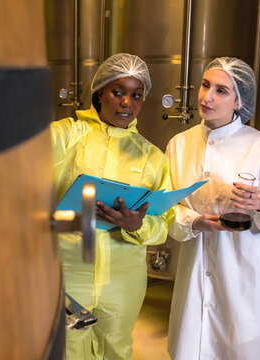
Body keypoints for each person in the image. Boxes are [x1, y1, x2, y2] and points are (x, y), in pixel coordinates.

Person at [165, 57, 260, 360]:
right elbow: (167, 207)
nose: (207, 97)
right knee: (191, 347)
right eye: (205, 85)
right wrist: (195, 221)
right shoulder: (178, 145)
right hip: (195, 267)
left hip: (245, 272)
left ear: (239, 100)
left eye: (222, 91)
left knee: (240, 347)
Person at [51, 53, 175, 359]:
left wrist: (138, 224)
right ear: (100, 93)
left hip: (123, 278)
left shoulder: (152, 157)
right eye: (117, 92)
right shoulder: (66, 134)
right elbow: (21, 168)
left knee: (117, 350)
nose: (126, 103)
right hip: (69, 270)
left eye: (136, 95)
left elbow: (163, 222)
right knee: (70, 349)